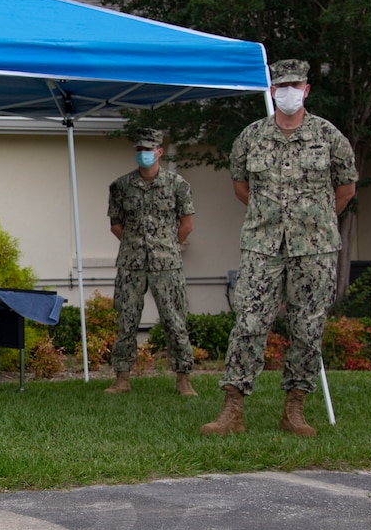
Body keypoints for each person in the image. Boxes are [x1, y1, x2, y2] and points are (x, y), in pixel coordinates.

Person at [201, 59, 357, 437]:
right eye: (281, 86)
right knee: (249, 323)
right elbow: (241, 187)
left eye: (295, 85)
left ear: (306, 90)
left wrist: (315, 220)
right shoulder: (251, 136)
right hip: (263, 245)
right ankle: (232, 410)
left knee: (307, 327)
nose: (288, 92)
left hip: (315, 248)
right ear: (272, 91)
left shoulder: (328, 136)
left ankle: (294, 411)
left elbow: (346, 188)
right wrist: (272, 218)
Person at [105, 128, 198, 396]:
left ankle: (183, 379)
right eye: (140, 150)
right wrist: (137, 245)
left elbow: (187, 225)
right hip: (131, 264)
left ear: (159, 151)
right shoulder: (120, 186)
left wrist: (165, 245)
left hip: (167, 264)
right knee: (127, 319)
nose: (144, 154)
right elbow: (116, 225)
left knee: (175, 321)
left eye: (149, 149)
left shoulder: (177, 185)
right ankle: (122, 378)